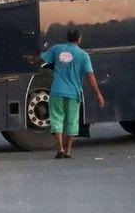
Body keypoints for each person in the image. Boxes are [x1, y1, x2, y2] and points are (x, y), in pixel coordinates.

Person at [38, 29, 105, 159]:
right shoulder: (83, 55)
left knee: (57, 119)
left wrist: (27, 58)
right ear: (79, 39)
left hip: (57, 91)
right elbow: (90, 76)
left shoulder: (57, 49)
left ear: (67, 38)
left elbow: (40, 59)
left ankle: (60, 149)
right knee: (72, 121)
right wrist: (98, 94)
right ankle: (68, 150)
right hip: (73, 93)